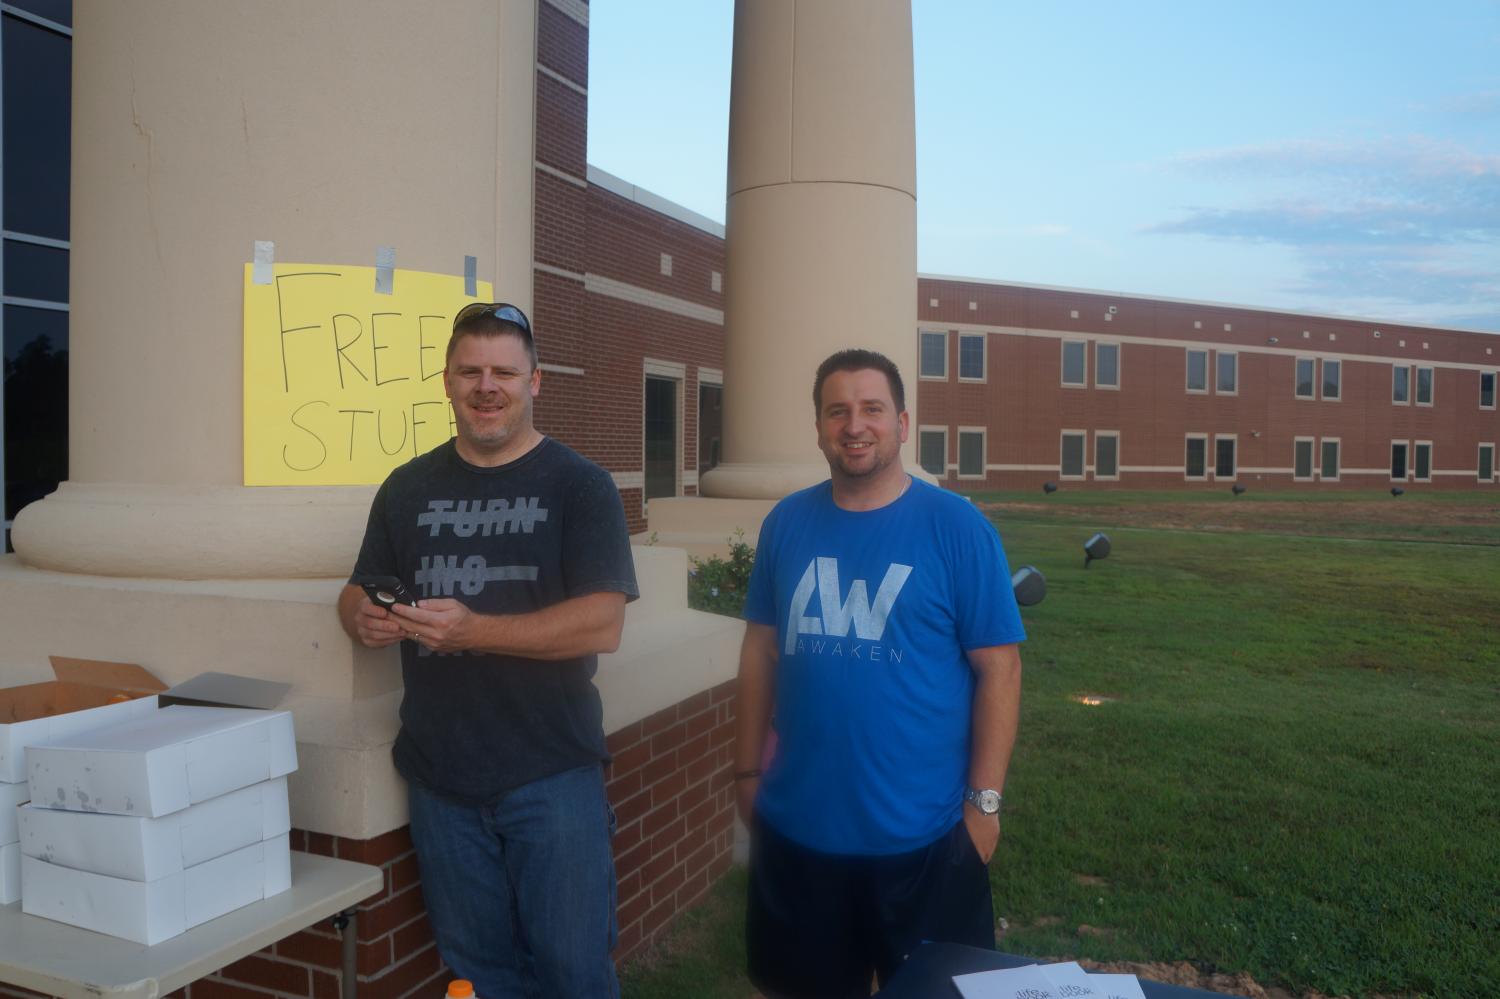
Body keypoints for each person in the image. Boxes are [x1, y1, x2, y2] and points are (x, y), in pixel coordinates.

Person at [337, 302, 637, 999]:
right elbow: (357, 591)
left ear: (535, 382)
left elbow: (602, 624)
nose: (486, 385)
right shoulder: (407, 487)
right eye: (470, 370)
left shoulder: (580, 485)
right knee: (480, 975)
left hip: (552, 774)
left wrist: (475, 630)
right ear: (445, 381)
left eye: (504, 370)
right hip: (441, 782)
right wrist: (364, 618)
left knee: (575, 973)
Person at [734, 348, 1026, 998]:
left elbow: (1000, 669)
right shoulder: (786, 523)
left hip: (923, 841)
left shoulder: (957, 528)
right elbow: (760, 651)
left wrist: (984, 806)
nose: (854, 425)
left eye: (872, 409)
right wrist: (747, 772)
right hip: (799, 833)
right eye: (837, 410)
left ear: (902, 422)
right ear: (817, 427)